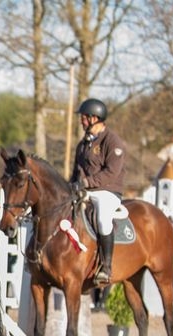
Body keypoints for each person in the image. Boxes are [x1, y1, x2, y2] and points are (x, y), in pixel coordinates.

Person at [70, 98, 127, 285]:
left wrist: (86, 182)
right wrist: (70, 187)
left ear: (95, 118)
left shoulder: (112, 142)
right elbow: (75, 172)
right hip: (86, 190)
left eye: (84, 118)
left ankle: (106, 266)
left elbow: (111, 173)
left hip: (108, 191)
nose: (81, 121)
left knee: (103, 218)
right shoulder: (83, 144)